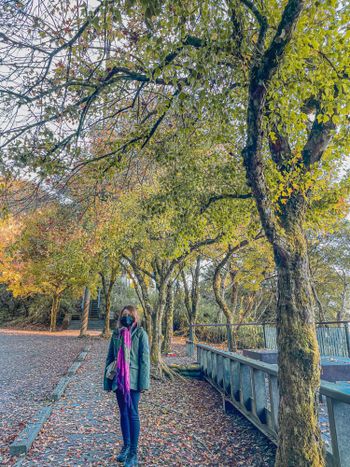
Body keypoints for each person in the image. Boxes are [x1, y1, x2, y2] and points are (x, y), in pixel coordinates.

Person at [103, 305, 150, 467]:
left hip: (134, 380)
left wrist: (144, 383)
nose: (127, 317)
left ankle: (133, 454)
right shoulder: (116, 334)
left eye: (130, 315)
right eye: (124, 315)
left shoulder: (141, 334)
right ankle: (126, 446)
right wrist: (107, 382)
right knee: (123, 413)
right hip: (119, 380)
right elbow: (110, 357)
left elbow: (145, 360)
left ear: (135, 317)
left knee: (133, 413)